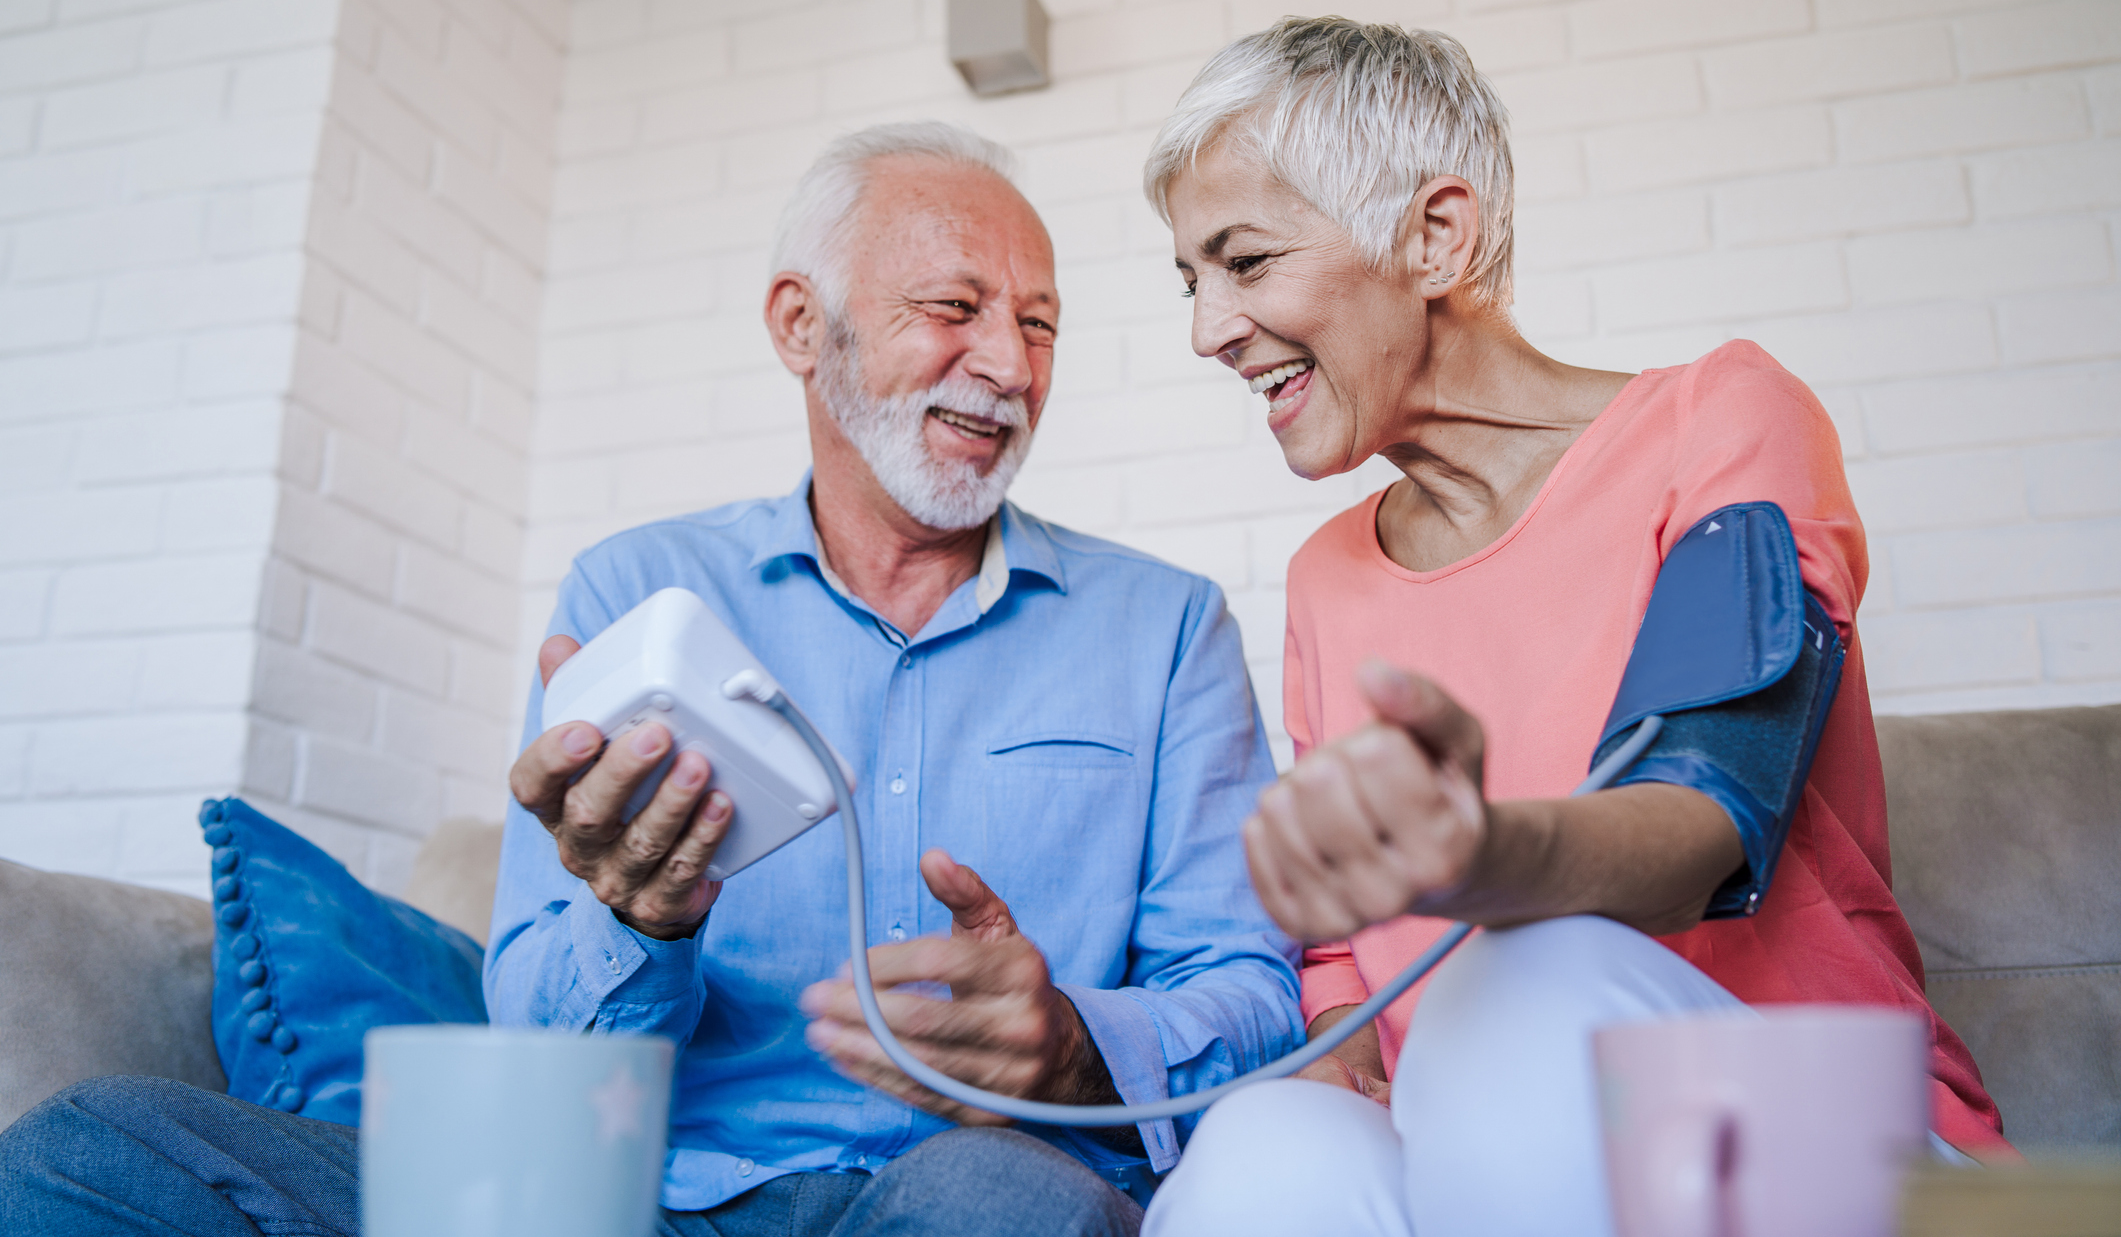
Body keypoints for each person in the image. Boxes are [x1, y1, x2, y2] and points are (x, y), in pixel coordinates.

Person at [0, 123, 1301, 1237]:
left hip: (973, 1183)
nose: (1011, 366)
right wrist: (643, 919)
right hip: (643, 1197)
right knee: (91, 1147)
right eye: (954, 310)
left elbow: (1253, 995)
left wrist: (1074, 1042)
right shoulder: (638, 594)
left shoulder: (1164, 626)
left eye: (1039, 325)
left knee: (1008, 1204)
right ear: (804, 324)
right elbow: (538, 1037)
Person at [1130, 19, 2006, 1237]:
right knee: (1265, 1151)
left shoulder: (1720, 422)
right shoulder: (1330, 575)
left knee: (1516, 989)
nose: (1208, 329)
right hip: (1492, 1149)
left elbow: (1708, 808)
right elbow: (1342, 968)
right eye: (1192, 280)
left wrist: (1476, 856)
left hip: (1834, 1141)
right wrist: (1335, 1051)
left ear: (1436, 235)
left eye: (1246, 260)